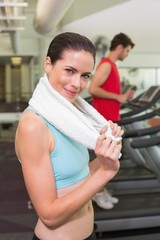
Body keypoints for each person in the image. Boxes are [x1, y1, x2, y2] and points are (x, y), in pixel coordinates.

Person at [15, 32, 123, 240]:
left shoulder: (69, 119)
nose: (77, 84)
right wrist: (105, 172)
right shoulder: (33, 126)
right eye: (70, 71)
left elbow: (79, 176)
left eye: (84, 76)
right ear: (48, 64)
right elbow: (49, 216)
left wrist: (105, 154)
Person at [89, 32, 135, 210]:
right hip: (104, 121)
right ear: (120, 47)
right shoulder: (107, 64)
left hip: (111, 120)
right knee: (103, 160)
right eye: (128, 50)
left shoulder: (112, 66)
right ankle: (97, 193)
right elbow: (93, 88)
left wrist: (122, 97)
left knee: (106, 159)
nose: (127, 54)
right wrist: (118, 96)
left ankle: (101, 190)